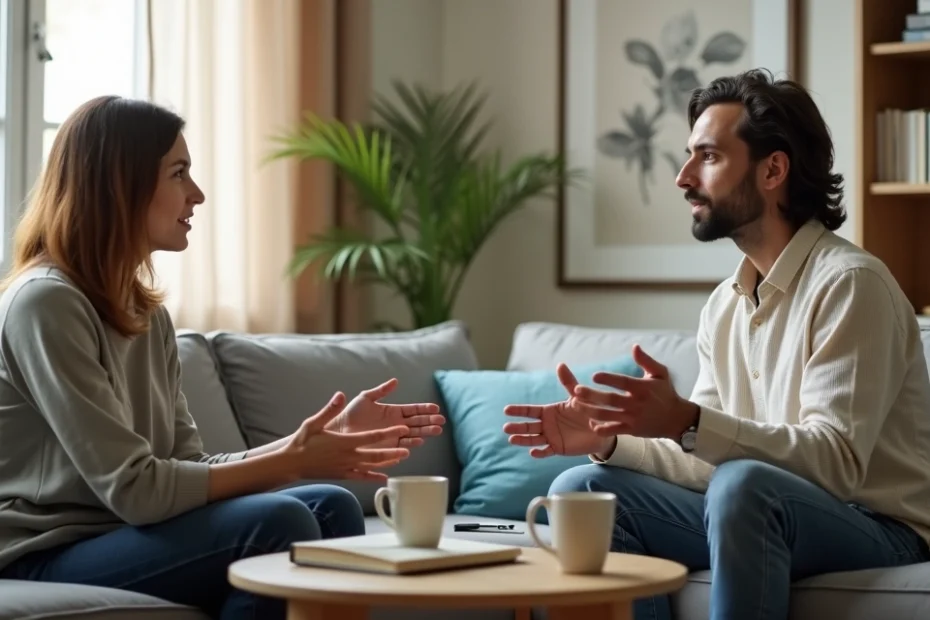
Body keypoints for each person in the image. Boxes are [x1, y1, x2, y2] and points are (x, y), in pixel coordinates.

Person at [503, 68, 930, 620]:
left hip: (878, 527)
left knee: (745, 484)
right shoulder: (724, 305)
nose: (682, 177)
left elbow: (836, 463)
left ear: (773, 168)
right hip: (755, 510)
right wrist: (613, 443)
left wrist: (689, 423)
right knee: (583, 486)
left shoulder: (850, 284)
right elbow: (710, 461)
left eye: (707, 156)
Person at [0, 96, 446, 619]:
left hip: (123, 533)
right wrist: (291, 459)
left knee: (331, 505)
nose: (198, 194)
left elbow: (189, 469)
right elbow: (135, 489)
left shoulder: (145, 314)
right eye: (179, 173)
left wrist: (314, 444)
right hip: (42, 554)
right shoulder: (46, 303)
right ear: (119, 184)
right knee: (279, 523)